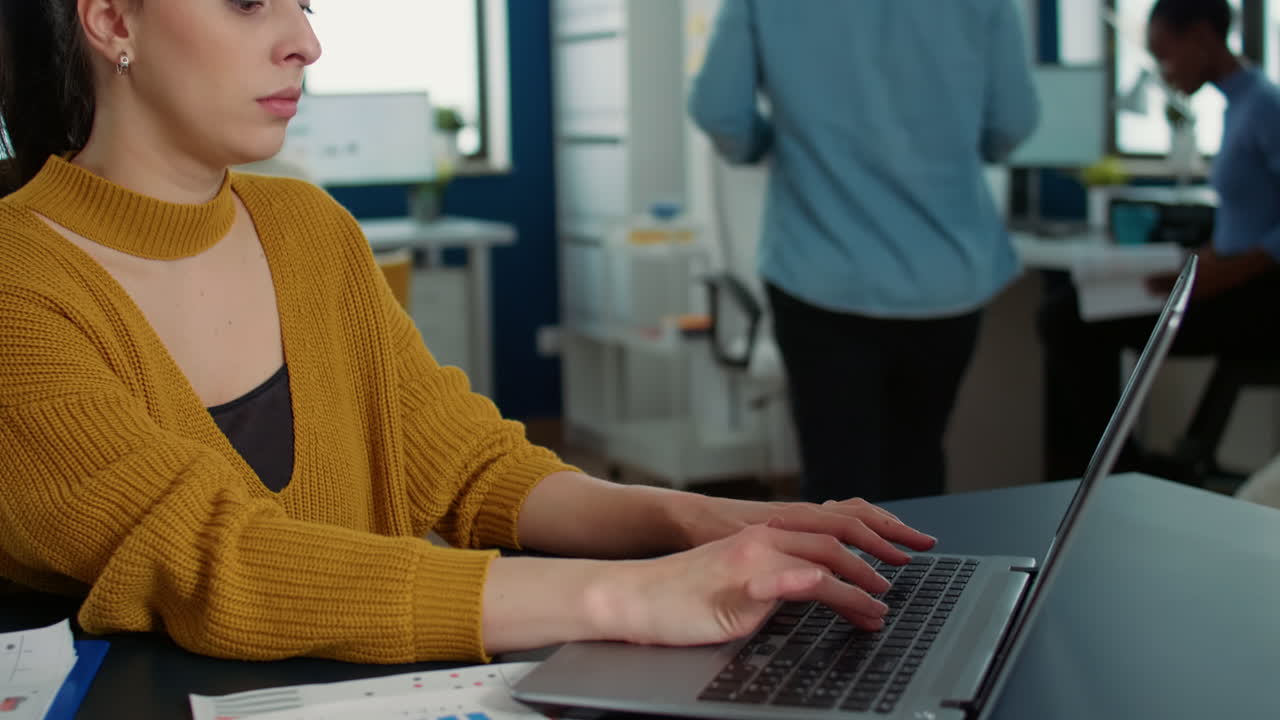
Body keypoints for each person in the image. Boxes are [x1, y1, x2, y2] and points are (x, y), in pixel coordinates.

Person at [0, 0, 938, 664]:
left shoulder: (308, 228)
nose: (307, 42)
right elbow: (223, 562)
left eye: (305, 3)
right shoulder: (20, 279)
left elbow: (470, 468)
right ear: (112, 21)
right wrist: (629, 596)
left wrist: (688, 519)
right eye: (250, 3)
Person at [688, 0, 1040, 504]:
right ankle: (926, 582)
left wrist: (771, 145)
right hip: (945, 275)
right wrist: (951, 150)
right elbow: (1013, 122)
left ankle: (835, 581)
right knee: (917, 464)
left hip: (820, 271)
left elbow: (719, 110)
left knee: (836, 481)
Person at [1038, 0, 1280, 482]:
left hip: (1262, 302)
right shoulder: (1239, 105)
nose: (1163, 72)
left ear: (1202, 38)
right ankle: (1106, 469)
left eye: (1165, 56)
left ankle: (1114, 470)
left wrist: (1226, 270)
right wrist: (1201, 262)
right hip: (1229, 281)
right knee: (1067, 313)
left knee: (1066, 320)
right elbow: (1249, 219)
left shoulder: (1265, 105)